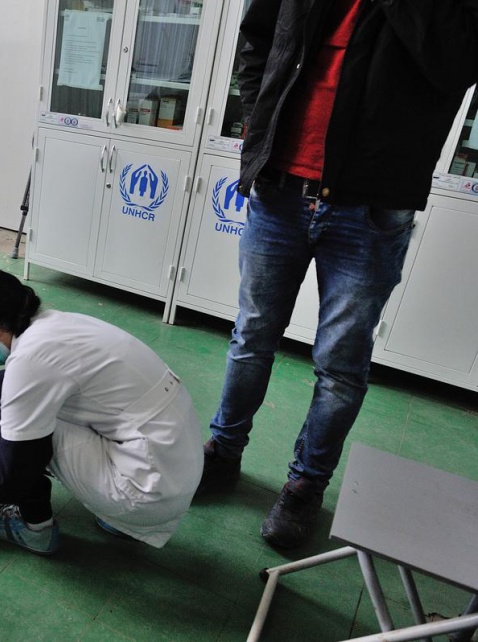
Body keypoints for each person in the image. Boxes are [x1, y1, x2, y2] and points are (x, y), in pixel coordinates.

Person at [199, 0, 478, 549]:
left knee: (341, 365)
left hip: (371, 205)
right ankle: (223, 452)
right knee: (250, 337)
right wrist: (257, 119)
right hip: (279, 189)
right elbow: (257, 37)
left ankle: (305, 485)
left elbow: (459, 62)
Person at [0, 268, 204, 555]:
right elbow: (22, 399)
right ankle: (121, 519)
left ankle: (34, 526)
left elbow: (4, 481)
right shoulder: (55, 324)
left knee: (18, 433)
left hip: (147, 488)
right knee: (1, 391)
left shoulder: (29, 359)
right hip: (178, 460)